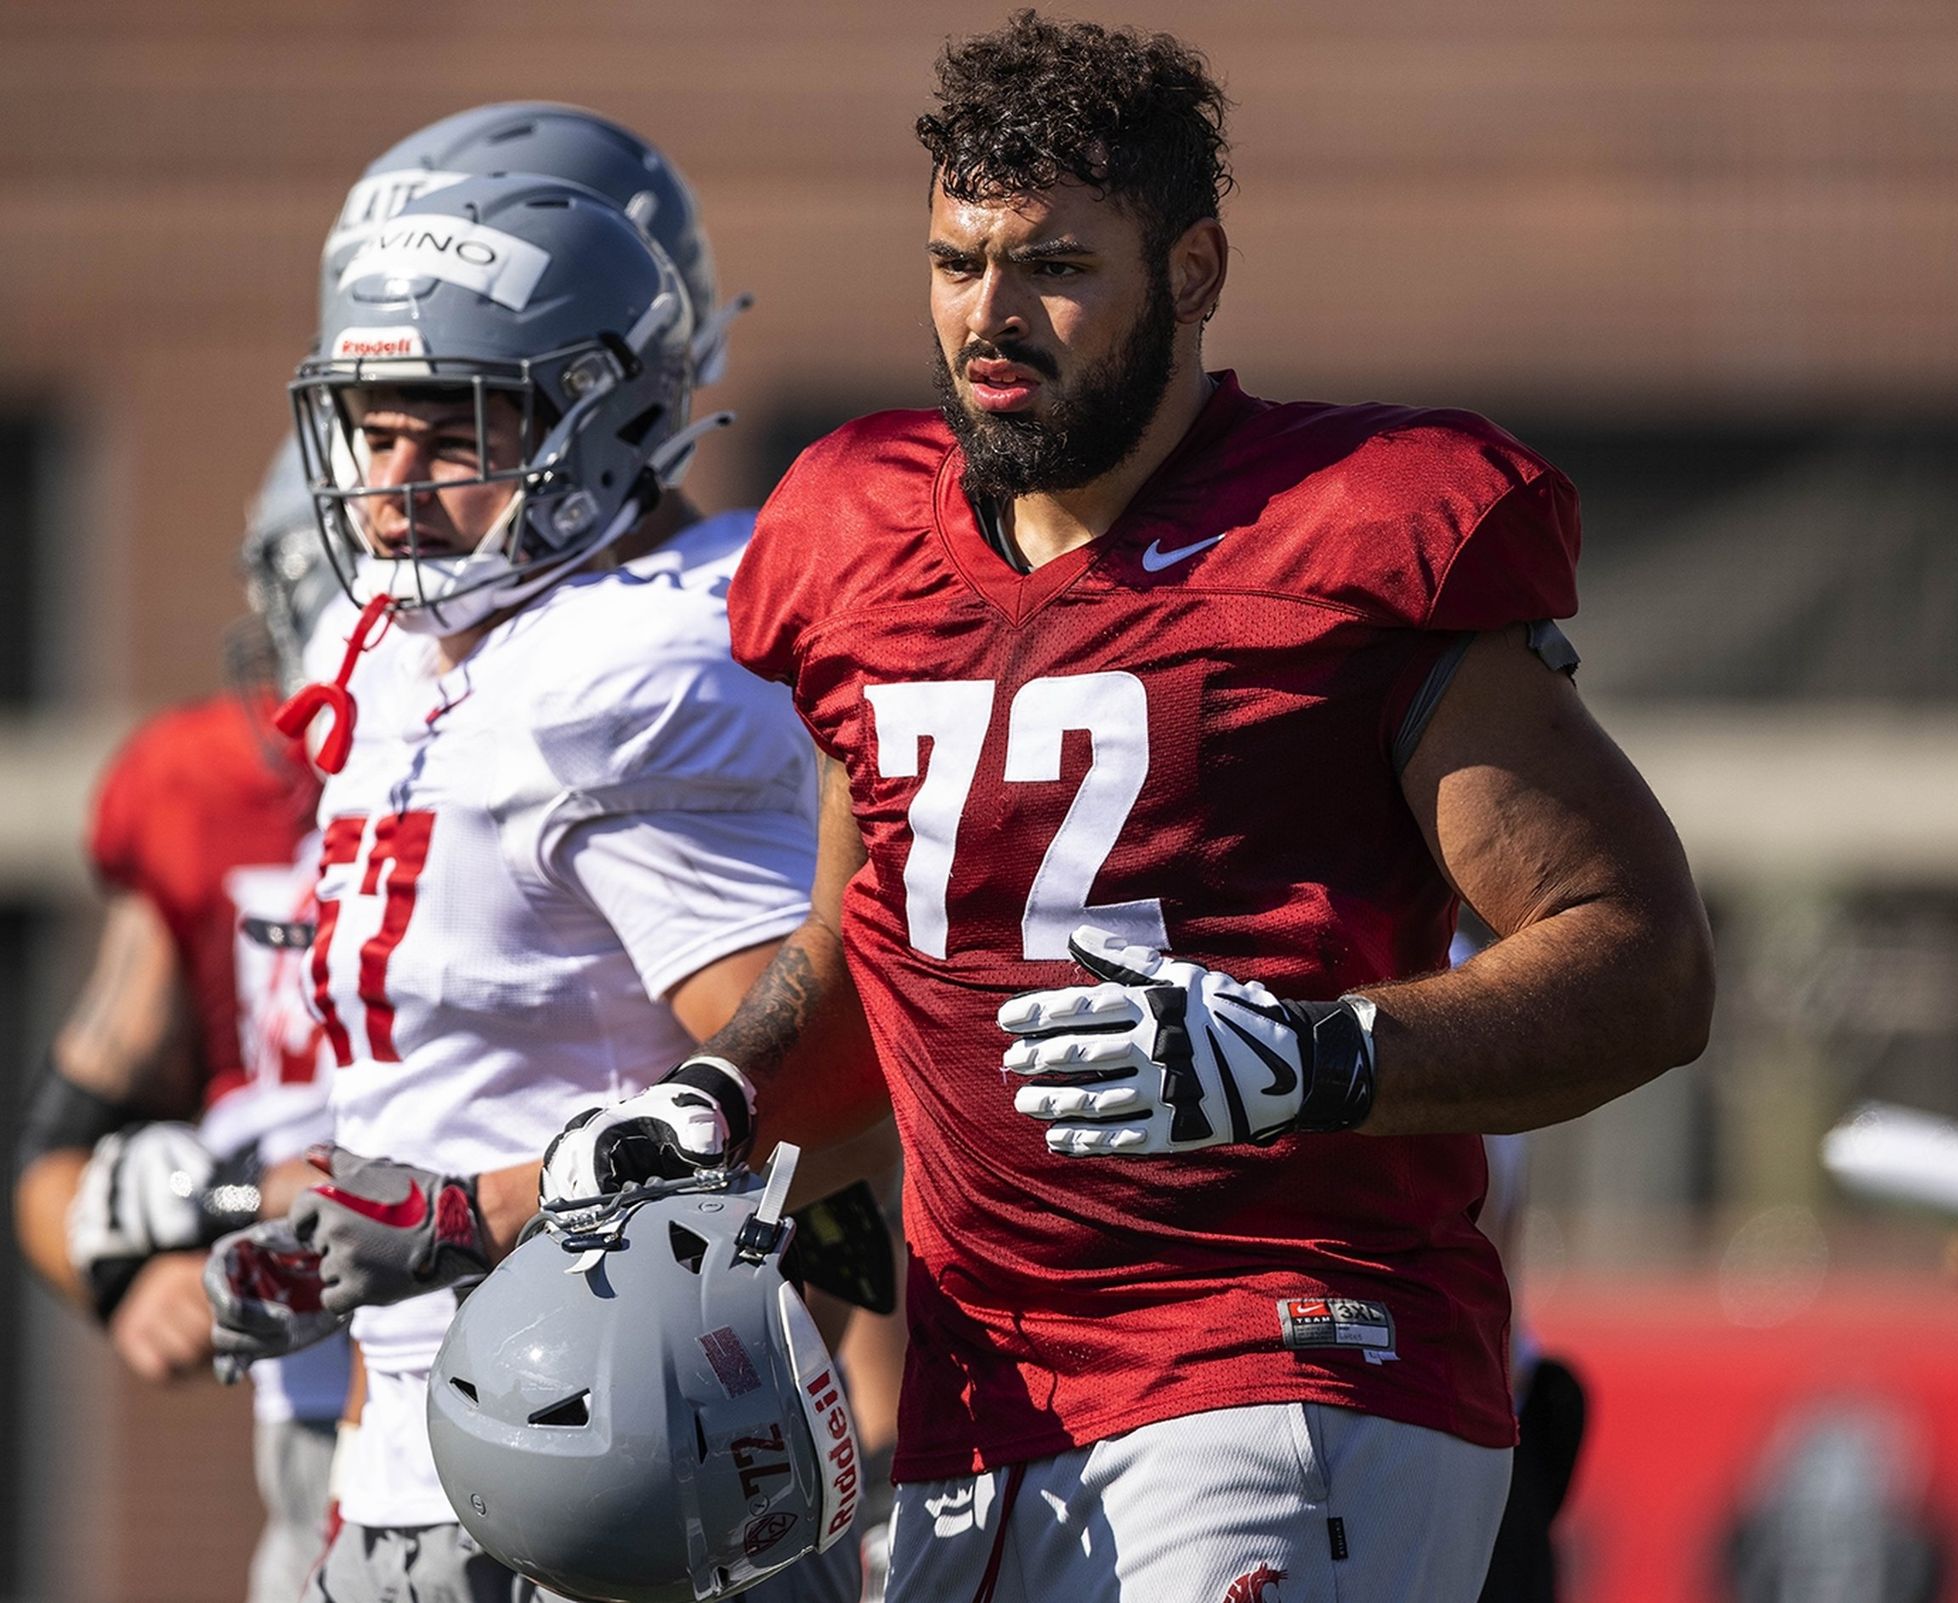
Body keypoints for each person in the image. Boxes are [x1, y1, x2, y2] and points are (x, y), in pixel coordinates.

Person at [542, 13, 1715, 1603]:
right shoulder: (851, 533)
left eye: (1056, 267)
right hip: (982, 1394)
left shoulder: (1355, 526)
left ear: (1197, 267)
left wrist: (1318, 1056)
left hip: (1291, 1355)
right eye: (957, 264)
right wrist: (719, 1105)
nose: (991, 319)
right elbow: (866, 954)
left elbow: (1642, 959)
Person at [208, 168, 859, 1603]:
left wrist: (468, 1213)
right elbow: (442, 1070)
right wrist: (320, 1236)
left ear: (604, 418)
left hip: (620, 1472)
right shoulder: (407, 654)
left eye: (452, 432)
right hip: (401, 1472)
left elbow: (816, 1098)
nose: (391, 480)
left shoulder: (635, 665)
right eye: (373, 430)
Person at [11, 444, 352, 1603]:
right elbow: (55, 1169)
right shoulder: (203, 791)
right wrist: (128, 1279)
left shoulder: (595, 749)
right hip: (328, 1419)